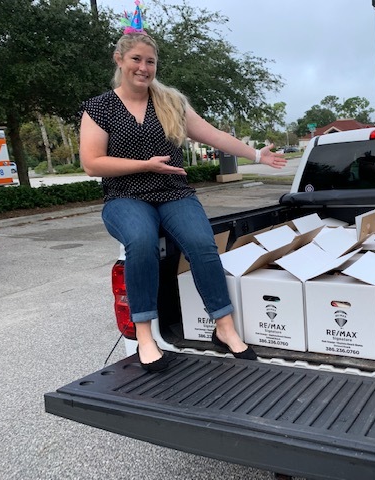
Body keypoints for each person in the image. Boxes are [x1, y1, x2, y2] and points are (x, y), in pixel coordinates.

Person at [79, 31, 286, 372]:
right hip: (124, 196)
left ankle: (224, 326)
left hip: (173, 192)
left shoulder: (170, 103)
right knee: (141, 241)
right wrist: (145, 165)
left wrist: (255, 155)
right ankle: (145, 334)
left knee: (202, 243)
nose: (144, 68)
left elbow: (213, 135)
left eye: (150, 62)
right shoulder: (100, 107)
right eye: (136, 60)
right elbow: (92, 163)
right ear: (119, 60)